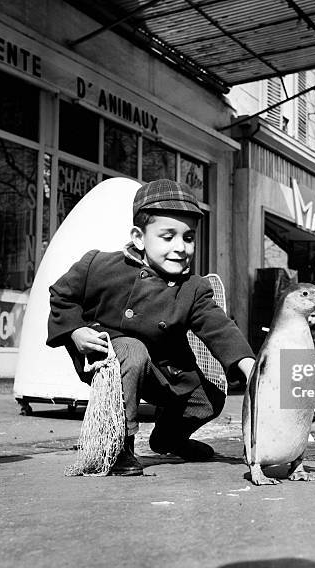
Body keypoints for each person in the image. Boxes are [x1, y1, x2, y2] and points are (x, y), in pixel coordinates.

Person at [47, 179, 256, 476]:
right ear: (140, 237)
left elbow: (218, 326)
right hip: (111, 360)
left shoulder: (192, 288)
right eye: (167, 237)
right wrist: (75, 332)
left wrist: (250, 368)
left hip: (164, 372)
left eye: (188, 238)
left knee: (209, 399)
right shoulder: (100, 266)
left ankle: (168, 438)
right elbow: (61, 296)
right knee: (132, 349)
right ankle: (120, 445)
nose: (180, 248)